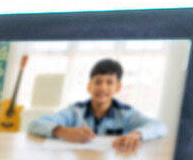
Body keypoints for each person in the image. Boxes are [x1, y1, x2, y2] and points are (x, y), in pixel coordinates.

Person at [26, 58, 167, 154]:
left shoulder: (126, 113)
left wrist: (137, 134)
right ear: (89, 86)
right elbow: (34, 124)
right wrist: (64, 131)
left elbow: (160, 126)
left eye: (109, 82)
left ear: (118, 87)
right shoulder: (75, 110)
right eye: (98, 82)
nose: (103, 87)